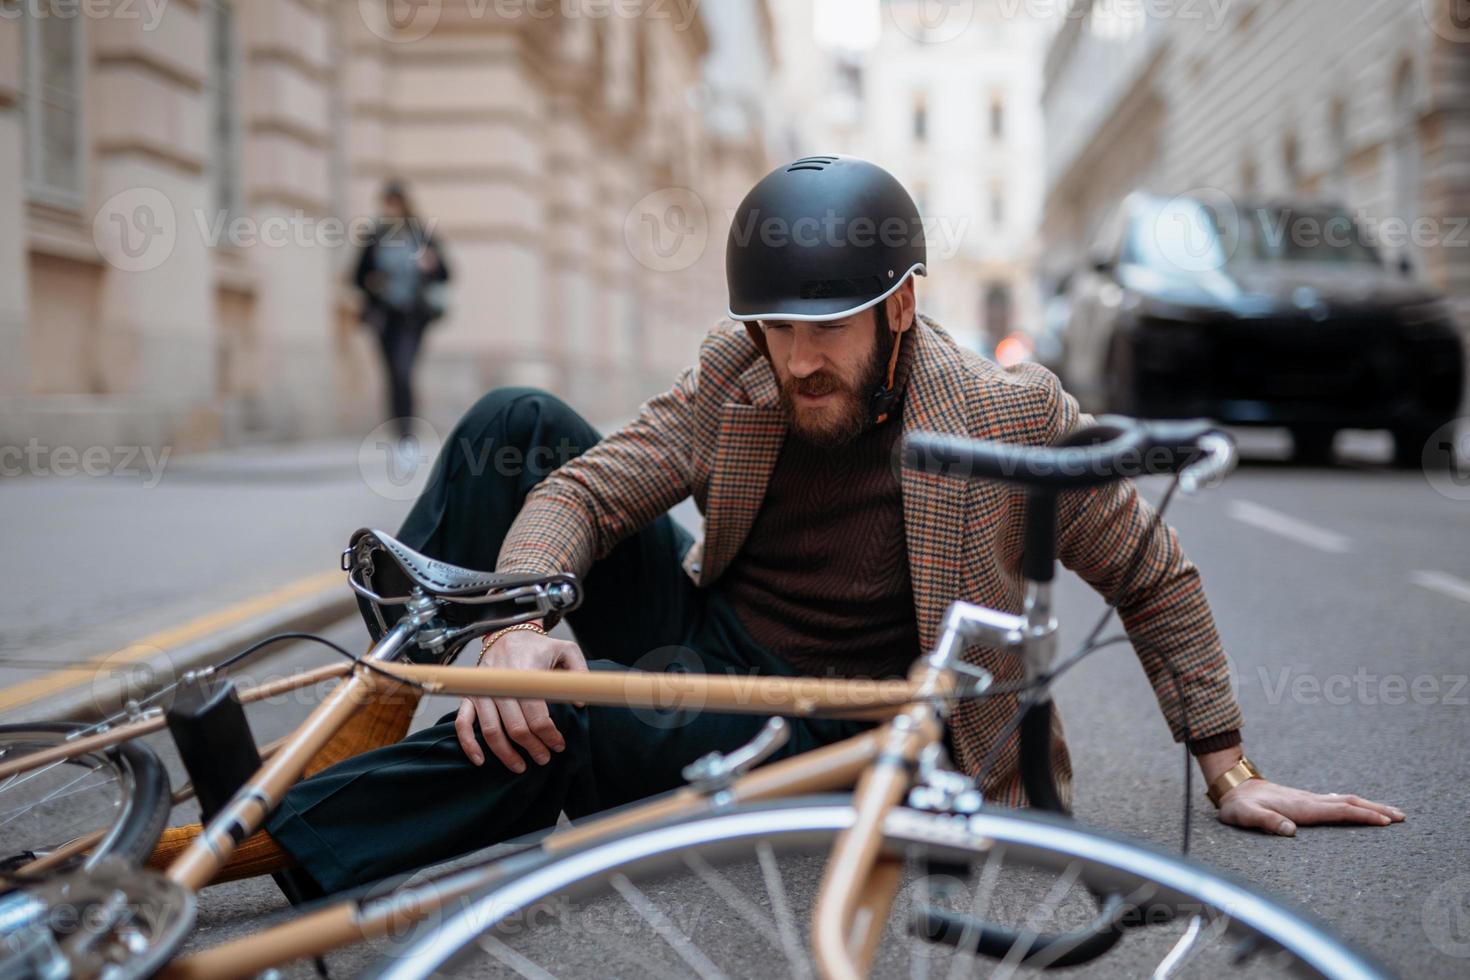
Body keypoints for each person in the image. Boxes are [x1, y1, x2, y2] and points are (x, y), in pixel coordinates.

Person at [257, 157, 1403, 896]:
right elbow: (591, 492)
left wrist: (1230, 764)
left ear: (899, 304)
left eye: (828, 328)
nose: (799, 359)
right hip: (714, 630)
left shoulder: (1005, 414)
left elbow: (1152, 573)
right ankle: (362, 723)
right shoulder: (740, 367)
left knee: (562, 725)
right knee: (518, 425)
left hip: (845, 721)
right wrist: (517, 619)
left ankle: (275, 839)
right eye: (774, 326)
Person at [354, 180, 450, 443]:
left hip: (413, 316)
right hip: (385, 317)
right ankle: (398, 428)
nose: (391, 209)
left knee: (404, 370)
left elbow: (447, 273)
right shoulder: (375, 236)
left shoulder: (420, 235)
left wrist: (431, 264)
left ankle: (407, 431)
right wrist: (373, 281)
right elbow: (357, 276)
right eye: (387, 204)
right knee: (391, 373)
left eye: (395, 203)